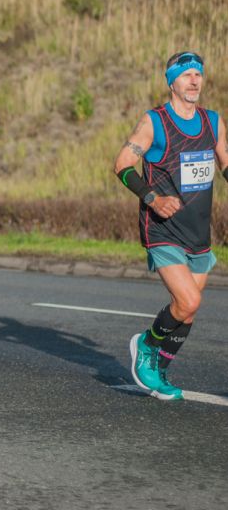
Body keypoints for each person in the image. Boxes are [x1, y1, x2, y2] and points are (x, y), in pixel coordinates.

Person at [113, 51, 228, 400]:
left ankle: (159, 370)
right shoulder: (155, 122)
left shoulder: (213, 122)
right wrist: (153, 199)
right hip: (162, 229)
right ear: (171, 81)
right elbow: (123, 164)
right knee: (188, 300)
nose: (194, 80)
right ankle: (145, 345)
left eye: (198, 74)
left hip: (198, 231)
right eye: (186, 74)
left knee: (188, 312)